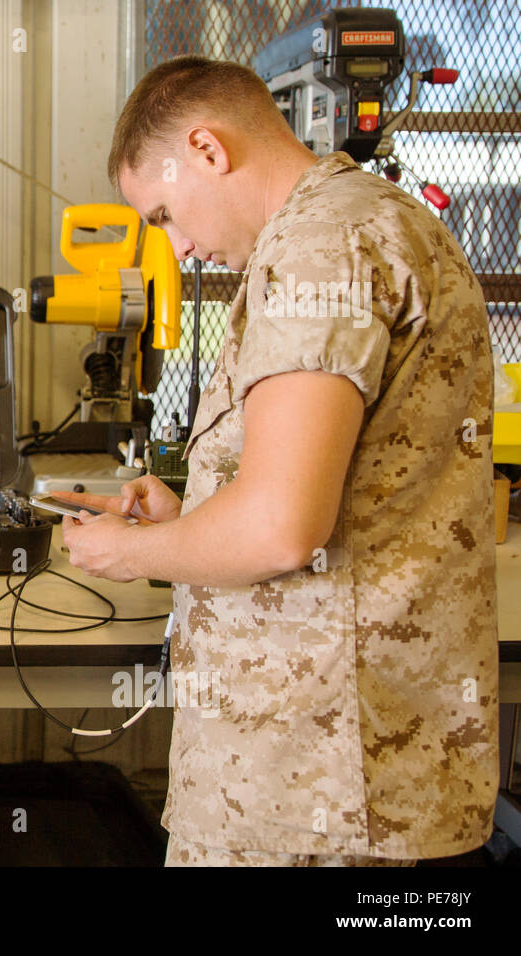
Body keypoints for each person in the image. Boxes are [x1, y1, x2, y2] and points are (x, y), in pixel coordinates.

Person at [58, 57, 497, 866]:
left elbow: (281, 528)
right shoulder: (366, 220)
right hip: (357, 770)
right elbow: (351, 493)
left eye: (164, 214)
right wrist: (192, 518)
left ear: (206, 149)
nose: (180, 247)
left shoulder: (319, 250)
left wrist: (131, 552)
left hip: (317, 795)